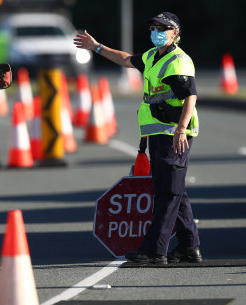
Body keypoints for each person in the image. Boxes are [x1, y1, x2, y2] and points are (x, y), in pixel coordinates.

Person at [74, 12, 202, 264]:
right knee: (175, 191)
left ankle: (155, 250)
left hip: (173, 134)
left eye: (163, 27)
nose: (157, 31)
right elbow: (126, 59)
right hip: (159, 132)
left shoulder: (178, 61)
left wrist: (180, 129)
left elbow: (190, 96)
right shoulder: (153, 57)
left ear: (175, 33)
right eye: (154, 27)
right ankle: (189, 246)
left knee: (167, 194)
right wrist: (97, 47)